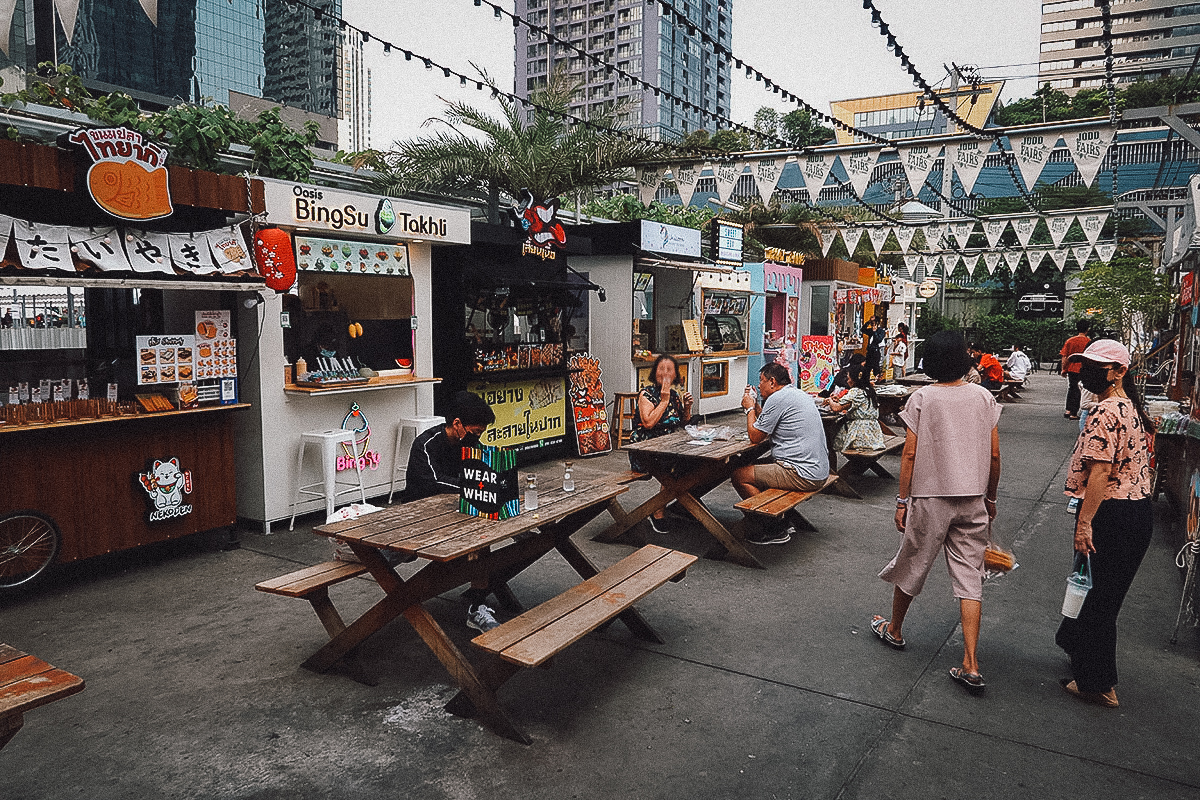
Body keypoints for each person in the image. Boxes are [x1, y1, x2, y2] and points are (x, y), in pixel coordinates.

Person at [872, 330, 1001, 694]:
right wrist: (990, 498)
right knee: (970, 576)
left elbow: (910, 454)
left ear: (928, 361)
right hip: (973, 496)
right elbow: (994, 455)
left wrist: (901, 501)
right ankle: (971, 663)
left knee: (913, 561)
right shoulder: (983, 396)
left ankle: (895, 629)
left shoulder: (922, 397)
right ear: (964, 359)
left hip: (930, 498)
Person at [1057, 339, 1154, 708]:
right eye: (1085, 364)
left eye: (1099, 366)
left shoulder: (1105, 412)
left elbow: (1100, 474)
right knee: (1101, 591)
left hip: (1112, 514)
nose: (1088, 372)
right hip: (1136, 513)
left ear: (1119, 372)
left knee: (1100, 599)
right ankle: (1076, 648)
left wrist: (1085, 524)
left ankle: (1098, 684)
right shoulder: (1129, 408)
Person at [401, 391, 501, 632]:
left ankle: (477, 606)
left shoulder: (471, 443)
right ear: (457, 424)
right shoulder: (426, 444)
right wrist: (471, 485)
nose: (478, 437)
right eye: (475, 432)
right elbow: (433, 482)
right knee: (479, 537)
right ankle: (477, 604)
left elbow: (483, 470)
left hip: (456, 512)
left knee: (484, 532)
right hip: (419, 517)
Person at [733, 362, 830, 546]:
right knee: (757, 466)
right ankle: (780, 518)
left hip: (803, 473)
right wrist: (756, 407)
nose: (759, 385)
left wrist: (749, 408)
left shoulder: (778, 399)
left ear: (772, 381)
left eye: (761, 381)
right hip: (818, 468)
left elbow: (755, 436)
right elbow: (766, 424)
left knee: (739, 475)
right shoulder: (795, 394)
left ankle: (773, 526)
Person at [629, 354, 694, 533]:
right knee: (678, 464)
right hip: (646, 450)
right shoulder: (646, 394)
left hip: (671, 446)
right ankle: (658, 511)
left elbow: (682, 423)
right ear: (654, 372)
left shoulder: (674, 395)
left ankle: (686, 504)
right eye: (661, 368)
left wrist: (687, 407)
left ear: (675, 375)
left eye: (669, 369)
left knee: (695, 463)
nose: (665, 373)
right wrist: (664, 400)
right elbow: (649, 423)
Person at [826, 363, 885, 452]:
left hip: (860, 435)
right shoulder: (869, 390)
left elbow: (836, 408)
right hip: (874, 434)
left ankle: (832, 465)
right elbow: (853, 404)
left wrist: (829, 400)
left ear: (854, 380)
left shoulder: (855, 392)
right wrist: (839, 400)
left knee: (829, 439)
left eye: (848, 378)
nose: (847, 381)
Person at [1060, 319, 1093, 420]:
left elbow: (1065, 357)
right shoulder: (1089, 342)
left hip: (1072, 368)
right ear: (1087, 329)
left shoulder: (1070, 341)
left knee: (1072, 388)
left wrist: (1063, 369)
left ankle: (1068, 409)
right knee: (1080, 389)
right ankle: (1074, 412)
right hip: (1084, 368)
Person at [863, 315, 887, 380]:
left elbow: (878, 340)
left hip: (876, 351)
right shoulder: (870, 330)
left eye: (873, 322)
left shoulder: (881, 331)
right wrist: (868, 322)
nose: (872, 324)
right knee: (867, 367)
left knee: (876, 366)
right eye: (872, 323)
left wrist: (875, 332)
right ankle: (867, 380)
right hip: (869, 351)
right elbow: (863, 330)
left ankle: (877, 379)